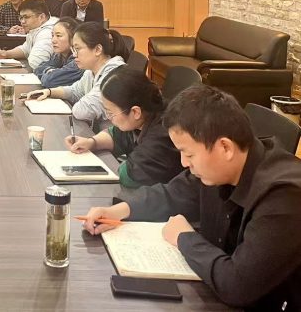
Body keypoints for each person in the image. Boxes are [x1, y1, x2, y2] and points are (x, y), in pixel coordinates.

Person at [81, 86, 301, 311]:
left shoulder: (284, 197)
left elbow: (237, 285)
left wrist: (184, 237)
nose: (184, 163)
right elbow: (173, 193)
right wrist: (119, 211)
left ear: (225, 147)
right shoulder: (221, 167)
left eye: (189, 154)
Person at [65, 66, 183, 188]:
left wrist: (122, 167)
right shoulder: (145, 115)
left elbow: (130, 176)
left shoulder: (162, 135)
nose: (108, 117)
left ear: (135, 112)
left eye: (111, 113)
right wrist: (92, 142)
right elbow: (116, 135)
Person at [27, 22, 129, 129]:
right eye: (73, 50)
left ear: (98, 50)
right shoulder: (91, 71)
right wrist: (49, 92)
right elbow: (75, 91)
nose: (74, 55)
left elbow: (83, 111)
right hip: (96, 133)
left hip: (112, 137)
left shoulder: (114, 74)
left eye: (77, 49)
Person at [0, 0, 53, 70]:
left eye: (26, 17)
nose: (22, 22)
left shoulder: (47, 32)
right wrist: (6, 54)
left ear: (42, 17)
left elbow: (36, 63)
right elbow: (25, 49)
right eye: (21, 18)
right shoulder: (35, 29)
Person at [33, 17, 85, 88]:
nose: (53, 40)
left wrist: (53, 72)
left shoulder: (79, 60)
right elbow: (38, 69)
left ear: (73, 38)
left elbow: (49, 81)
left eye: (58, 36)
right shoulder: (59, 55)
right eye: (52, 36)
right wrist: (51, 71)